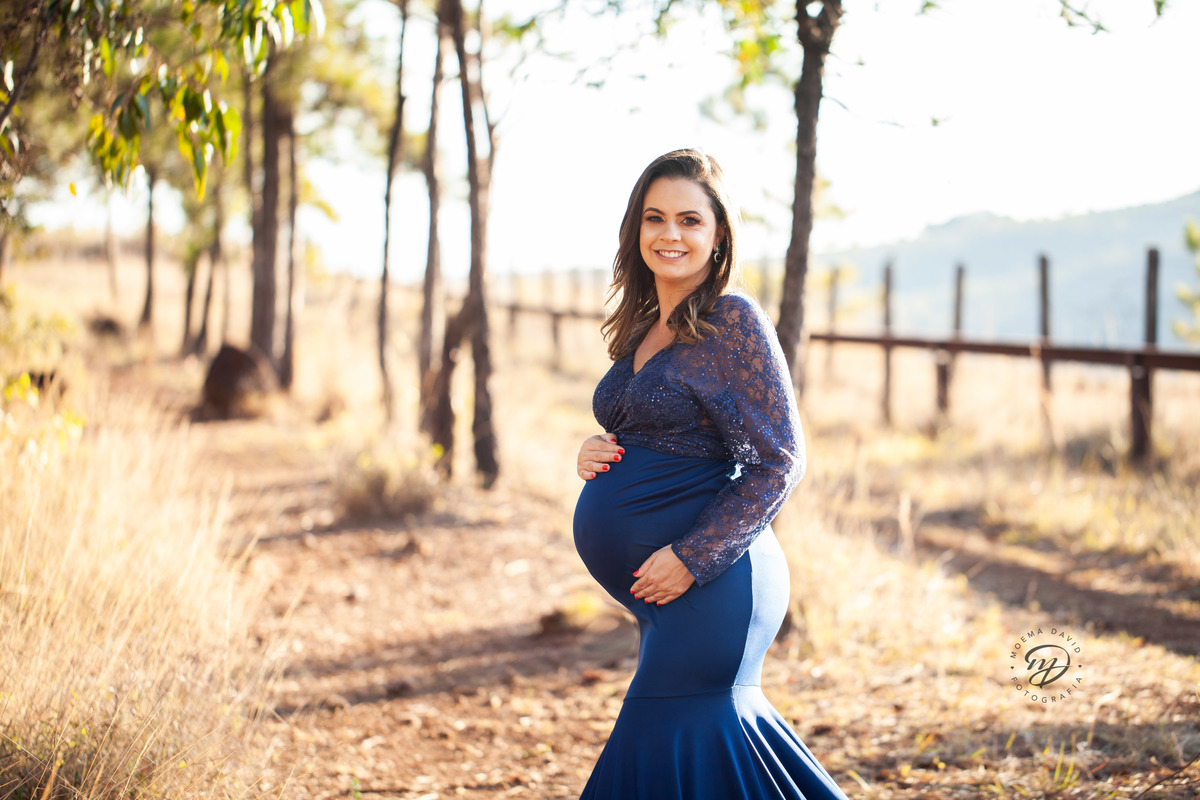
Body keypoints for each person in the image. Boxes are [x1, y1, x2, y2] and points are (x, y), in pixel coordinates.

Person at [572, 149, 848, 800]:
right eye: (655, 218)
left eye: (690, 221)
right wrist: (598, 449)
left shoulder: (732, 321)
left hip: (715, 581)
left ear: (718, 233)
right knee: (712, 759)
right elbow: (658, 429)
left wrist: (693, 557)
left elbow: (780, 459)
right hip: (669, 599)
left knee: (656, 749)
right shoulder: (647, 325)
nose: (671, 235)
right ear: (635, 229)